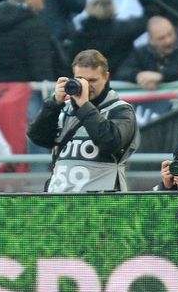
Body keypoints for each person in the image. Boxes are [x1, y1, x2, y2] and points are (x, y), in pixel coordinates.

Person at [27, 49, 139, 192]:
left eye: (92, 80)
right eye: (81, 79)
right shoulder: (64, 108)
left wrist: (85, 106)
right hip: (60, 201)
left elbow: (111, 142)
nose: (86, 86)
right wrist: (54, 104)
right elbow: (38, 138)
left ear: (106, 77)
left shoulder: (121, 110)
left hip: (102, 204)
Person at [70, 0, 146, 75]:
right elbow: (151, 12)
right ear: (112, 8)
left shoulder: (81, 35)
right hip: (121, 81)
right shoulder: (125, 30)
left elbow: (72, 63)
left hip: (90, 82)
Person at [114, 16, 178, 89]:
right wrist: (139, 76)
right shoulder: (141, 53)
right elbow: (122, 72)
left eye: (170, 34)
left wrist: (161, 76)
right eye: (161, 38)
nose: (168, 41)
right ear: (151, 40)